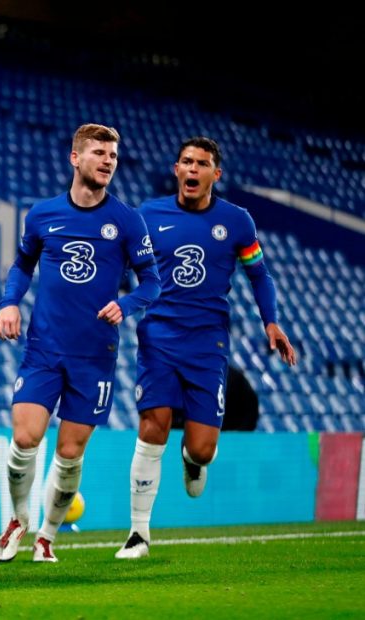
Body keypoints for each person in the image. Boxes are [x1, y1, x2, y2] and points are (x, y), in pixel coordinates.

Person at [115, 136, 296, 560]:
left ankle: (192, 460)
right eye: (186, 162)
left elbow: (259, 275)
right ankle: (138, 534)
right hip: (158, 337)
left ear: (216, 174)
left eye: (202, 164)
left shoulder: (237, 222)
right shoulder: (148, 215)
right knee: (152, 426)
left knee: (201, 448)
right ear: (177, 170)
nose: (192, 170)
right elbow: (122, 266)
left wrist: (271, 321)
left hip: (208, 345)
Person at [0, 124, 160, 563]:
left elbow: (153, 283)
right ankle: (18, 519)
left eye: (113, 156)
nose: (108, 161)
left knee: (68, 453)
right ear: (75, 158)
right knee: (25, 438)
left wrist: (127, 304)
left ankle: (46, 535)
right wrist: (10, 303)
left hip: (95, 355)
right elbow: (22, 265)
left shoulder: (126, 220)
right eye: (99, 153)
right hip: (44, 348)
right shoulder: (43, 214)